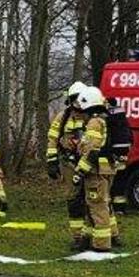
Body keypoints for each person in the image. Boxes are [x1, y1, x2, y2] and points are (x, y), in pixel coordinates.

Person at [71, 86, 117, 252]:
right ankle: (90, 238)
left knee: (98, 206)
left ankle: (101, 245)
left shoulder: (94, 122)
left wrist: (80, 171)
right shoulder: (102, 120)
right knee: (96, 205)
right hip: (102, 169)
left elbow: (92, 150)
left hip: (95, 171)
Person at [46, 81, 89, 245]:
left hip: (88, 162)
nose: (76, 103)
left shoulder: (91, 116)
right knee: (73, 198)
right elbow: (52, 139)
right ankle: (77, 236)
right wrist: (52, 162)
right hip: (69, 163)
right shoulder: (63, 117)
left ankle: (91, 233)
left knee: (91, 197)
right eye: (74, 99)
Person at [105, 97, 134, 216]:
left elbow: (107, 135)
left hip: (114, 149)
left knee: (111, 178)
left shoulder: (109, 117)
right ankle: (120, 207)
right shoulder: (122, 115)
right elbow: (129, 133)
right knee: (121, 177)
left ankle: (110, 205)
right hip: (124, 150)